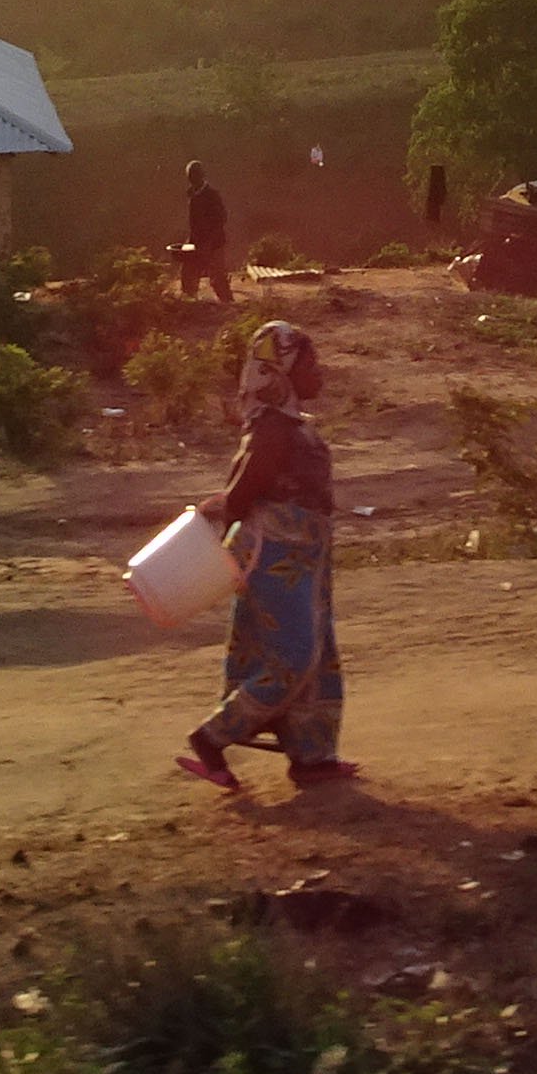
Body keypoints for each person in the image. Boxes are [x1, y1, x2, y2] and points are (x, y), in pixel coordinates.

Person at [176, 318, 352, 794]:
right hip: (273, 553)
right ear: (282, 373)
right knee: (295, 653)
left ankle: (313, 757)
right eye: (310, 365)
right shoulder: (273, 428)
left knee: (317, 656)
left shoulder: (287, 425)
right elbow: (242, 492)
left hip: (302, 557)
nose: (319, 373)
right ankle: (212, 737)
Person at [179, 158, 234, 304]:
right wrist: (191, 241)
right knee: (188, 273)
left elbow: (221, 219)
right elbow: (194, 223)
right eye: (190, 176)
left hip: (214, 243)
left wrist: (209, 242)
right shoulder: (193, 194)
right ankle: (190, 304)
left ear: (201, 175)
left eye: (194, 175)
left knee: (217, 277)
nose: (191, 179)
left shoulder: (212, 195)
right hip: (197, 241)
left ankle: (229, 305)